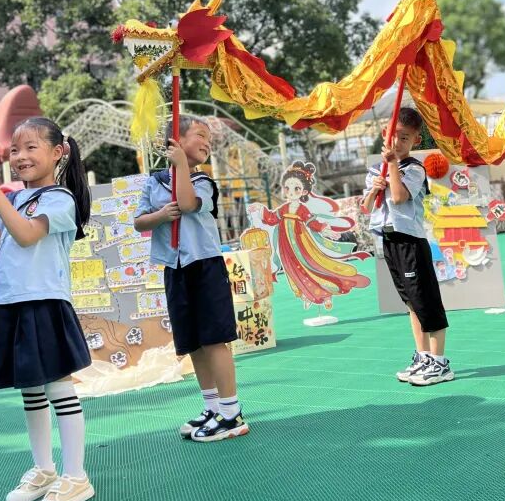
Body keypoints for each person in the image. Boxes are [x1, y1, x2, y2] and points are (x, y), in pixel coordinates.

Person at [0, 117, 95, 501]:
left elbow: (26, 235)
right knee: (31, 389)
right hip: (10, 301)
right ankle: (44, 469)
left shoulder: (60, 199)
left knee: (59, 388)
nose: (20, 156)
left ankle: (76, 476)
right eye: (14, 150)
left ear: (57, 153)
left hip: (43, 301)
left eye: (30, 148)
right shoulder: (18, 199)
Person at [133, 116, 248, 442]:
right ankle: (212, 407)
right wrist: (160, 216)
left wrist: (181, 165)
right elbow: (139, 222)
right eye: (200, 134)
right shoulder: (155, 182)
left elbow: (186, 204)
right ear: (176, 140)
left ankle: (231, 412)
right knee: (193, 342)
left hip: (205, 266)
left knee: (214, 339)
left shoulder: (203, 181)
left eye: (209, 138)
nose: (207, 142)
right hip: (175, 268)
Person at [362, 107, 452, 386]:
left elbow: (399, 198)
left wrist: (391, 166)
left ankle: (439, 361)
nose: (398, 142)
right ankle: (423, 355)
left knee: (426, 302)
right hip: (390, 241)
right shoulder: (375, 171)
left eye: (405, 138)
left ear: (416, 140)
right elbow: (366, 207)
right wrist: (376, 187)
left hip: (411, 242)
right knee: (411, 303)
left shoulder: (413, 168)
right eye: (394, 136)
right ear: (384, 134)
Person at [246, 160, 370, 310]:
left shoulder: (302, 209)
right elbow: (271, 219)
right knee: (292, 269)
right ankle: (306, 294)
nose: (291, 192)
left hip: (301, 243)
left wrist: (326, 230)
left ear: (304, 192)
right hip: (286, 245)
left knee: (312, 266)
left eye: (296, 188)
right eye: (287, 188)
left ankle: (325, 294)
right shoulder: (283, 208)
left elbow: (313, 223)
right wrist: (259, 208)